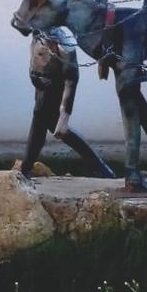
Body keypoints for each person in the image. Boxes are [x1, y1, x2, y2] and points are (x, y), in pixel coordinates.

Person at [20, 27, 117, 179]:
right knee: (50, 127)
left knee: (42, 125)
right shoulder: (38, 32)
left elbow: (71, 81)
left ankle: (26, 168)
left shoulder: (63, 43)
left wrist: (64, 116)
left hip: (52, 89)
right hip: (40, 87)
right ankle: (99, 167)